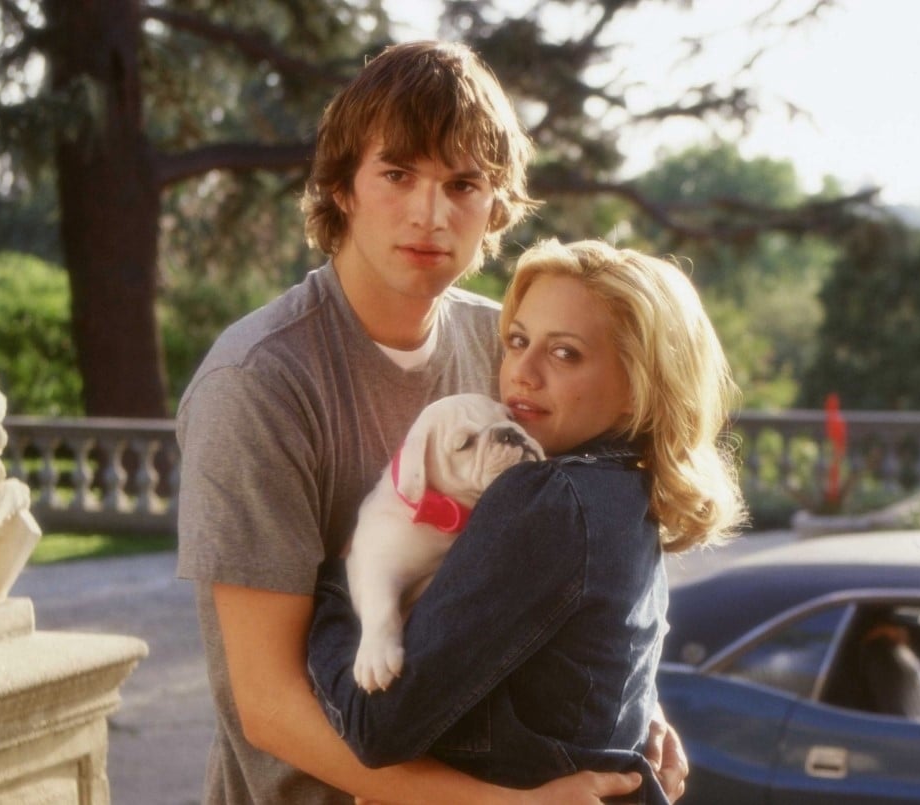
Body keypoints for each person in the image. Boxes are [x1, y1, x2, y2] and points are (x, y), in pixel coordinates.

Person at [176, 41, 689, 803]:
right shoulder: (257, 384)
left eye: (462, 183)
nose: (429, 212)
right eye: (397, 174)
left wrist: (636, 701)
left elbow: (564, 570)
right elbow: (268, 706)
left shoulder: (509, 351)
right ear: (343, 187)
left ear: (495, 206)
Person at [308, 239, 747, 802]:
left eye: (565, 353)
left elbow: (378, 727)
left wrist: (333, 587)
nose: (523, 373)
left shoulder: (549, 499)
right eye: (517, 341)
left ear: (639, 385)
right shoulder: (627, 488)